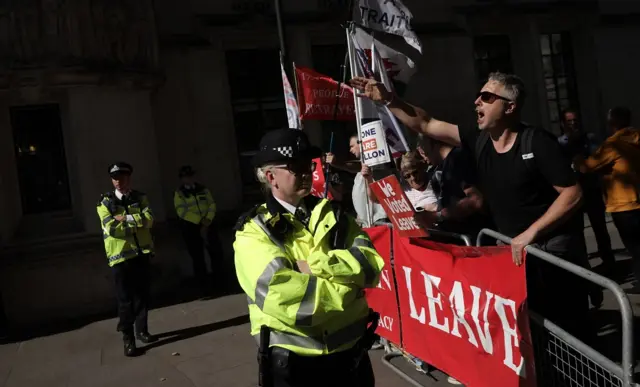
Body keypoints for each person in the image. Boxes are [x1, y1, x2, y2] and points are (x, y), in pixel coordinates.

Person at [350, 72, 592, 341]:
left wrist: (531, 234)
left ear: (510, 107)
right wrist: (389, 99)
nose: (477, 101)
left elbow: (573, 193)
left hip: (552, 250)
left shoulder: (537, 142)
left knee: (571, 332)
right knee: (536, 330)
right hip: (515, 251)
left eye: (487, 97)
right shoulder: (478, 139)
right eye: (479, 95)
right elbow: (425, 123)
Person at [233, 129, 385, 387]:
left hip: (351, 358)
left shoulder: (336, 215)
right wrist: (349, 286)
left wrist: (312, 266)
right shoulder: (253, 231)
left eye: (308, 164)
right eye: (296, 166)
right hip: (294, 367)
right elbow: (289, 301)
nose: (306, 172)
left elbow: (370, 267)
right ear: (271, 177)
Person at [574, 107, 640, 293]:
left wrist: (577, 160)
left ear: (613, 123)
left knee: (634, 247)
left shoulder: (613, 145)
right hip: (637, 199)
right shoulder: (636, 136)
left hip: (623, 204)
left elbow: (587, 167)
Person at [97, 162, 157, 357]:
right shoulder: (105, 202)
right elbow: (112, 229)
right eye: (115, 178)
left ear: (128, 178)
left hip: (141, 254)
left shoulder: (140, 197)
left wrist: (127, 219)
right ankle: (128, 338)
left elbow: (149, 220)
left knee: (142, 295)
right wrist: (137, 221)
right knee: (125, 301)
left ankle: (142, 330)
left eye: (122, 178)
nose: (118, 182)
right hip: (121, 258)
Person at [558, 109, 615, 273]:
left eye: (575, 120)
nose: (573, 124)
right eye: (569, 121)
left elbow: (599, 160)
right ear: (563, 124)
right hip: (573, 192)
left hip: (592, 190)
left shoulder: (590, 139)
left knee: (600, 228)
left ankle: (609, 263)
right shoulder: (560, 143)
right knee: (577, 232)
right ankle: (584, 268)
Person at [415, 133, 491, 242]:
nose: (422, 154)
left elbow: (476, 200)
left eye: (422, 148)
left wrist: (437, 215)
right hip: (454, 239)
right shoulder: (438, 167)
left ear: (432, 142)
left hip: (471, 241)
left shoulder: (459, 159)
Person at [174, 165, 224, 297]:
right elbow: (181, 211)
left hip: (209, 224)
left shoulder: (203, 189)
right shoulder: (180, 193)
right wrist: (199, 221)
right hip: (191, 228)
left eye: (190, 176)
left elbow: (212, 204)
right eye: (185, 177)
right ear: (182, 179)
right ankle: (204, 287)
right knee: (198, 258)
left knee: (216, 254)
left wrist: (207, 220)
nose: (188, 179)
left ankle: (220, 283)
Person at [328, 134, 388, 227]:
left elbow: (355, 167)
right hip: (366, 221)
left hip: (378, 220)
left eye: (352, 146)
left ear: (361, 143)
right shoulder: (361, 168)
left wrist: (338, 163)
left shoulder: (373, 163)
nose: (350, 150)